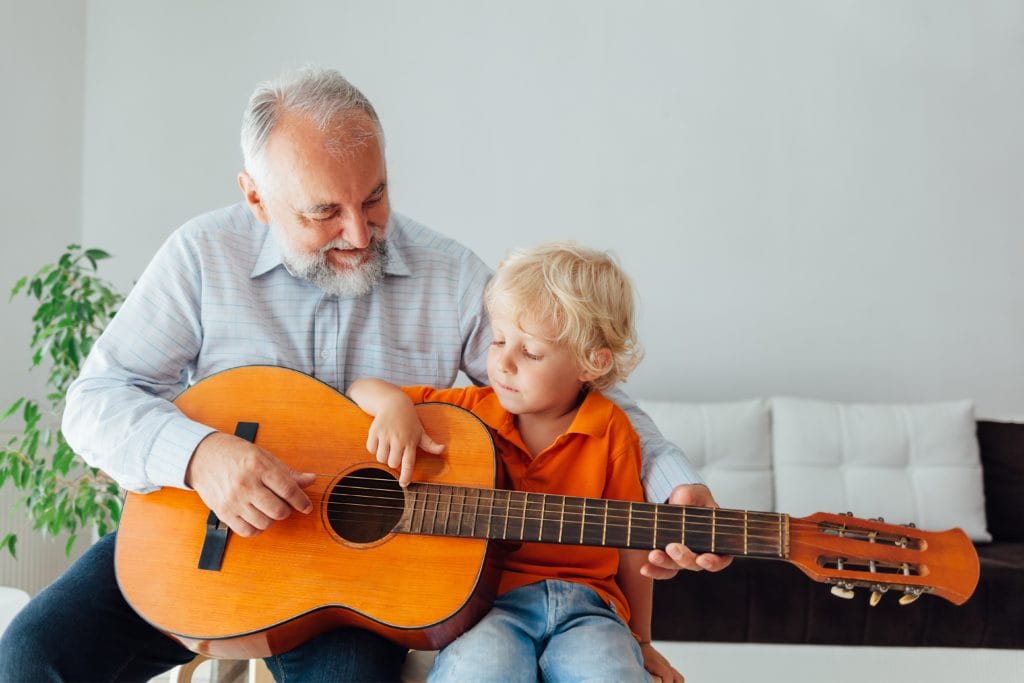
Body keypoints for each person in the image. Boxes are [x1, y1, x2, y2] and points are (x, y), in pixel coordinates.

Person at [0, 66, 726, 683]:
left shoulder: (449, 275)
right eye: (325, 211)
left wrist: (674, 488)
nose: (359, 231)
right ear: (256, 197)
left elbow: (585, 399)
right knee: (30, 655)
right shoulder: (200, 256)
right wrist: (199, 455)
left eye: (374, 196)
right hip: (199, 549)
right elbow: (93, 401)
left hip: (349, 585)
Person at [349, 241, 684, 682]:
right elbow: (359, 390)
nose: (502, 363)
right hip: (488, 605)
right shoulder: (466, 413)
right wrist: (393, 405)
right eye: (499, 340)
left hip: (590, 607)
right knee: (474, 672)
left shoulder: (612, 428)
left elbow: (631, 544)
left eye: (530, 352)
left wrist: (641, 641)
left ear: (591, 363)